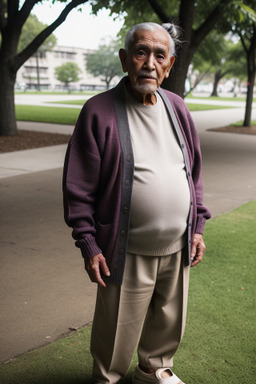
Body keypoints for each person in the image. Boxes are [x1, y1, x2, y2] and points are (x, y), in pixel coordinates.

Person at [63, 22, 211, 384]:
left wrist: (197, 228)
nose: (149, 63)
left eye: (159, 55)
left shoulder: (177, 107)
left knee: (168, 318)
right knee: (116, 327)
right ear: (125, 58)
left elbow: (193, 173)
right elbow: (78, 187)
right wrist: (89, 242)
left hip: (177, 244)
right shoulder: (98, 112)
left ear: (170, 64)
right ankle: (108, 378)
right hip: (125, 248)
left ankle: (153, 369)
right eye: (141, 52)